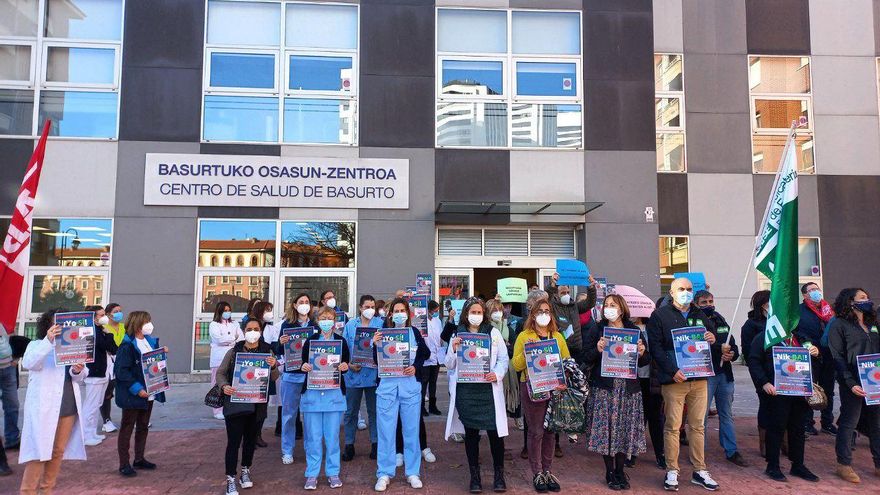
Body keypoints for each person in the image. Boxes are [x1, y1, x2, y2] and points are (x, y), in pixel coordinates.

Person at [646, 277, 720, 492]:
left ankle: (700, 470)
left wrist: (712, 338)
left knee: (698, 426)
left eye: (689, 289)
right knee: (672, 427)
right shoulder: (659, 315)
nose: (686, 292)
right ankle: (672, 470)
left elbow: (711, 338)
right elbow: (656, 348)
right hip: (674, 380)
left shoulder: (700, 314)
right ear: (671, 292)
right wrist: (672, 371)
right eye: (681, 289)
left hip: (699, 380)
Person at [582, 294, 649, 490]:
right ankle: (609, 471)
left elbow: (645, 362)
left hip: (628, 390)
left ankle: (620, 470)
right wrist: (597, 349)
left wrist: (642, 352)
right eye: (606, 305)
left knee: (624, 431)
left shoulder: (633, 330)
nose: (609, 308)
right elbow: (586, 356)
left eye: (613, 305)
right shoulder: (598, 328)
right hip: (605, 388)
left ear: (621, 308)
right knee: (607, 431)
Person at [18, 308, 88, 495]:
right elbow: (29, 363)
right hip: (44, 408)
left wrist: (77, 369)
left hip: (68, 407)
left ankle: (46, 491)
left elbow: (80, 376)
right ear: (48, 326)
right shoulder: (36, 345)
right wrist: (48, 341)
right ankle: (27, 491)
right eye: (57, 323)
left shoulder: (74, 344)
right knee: (39, 453)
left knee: (57, 452)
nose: (61, 327)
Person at [445, 298, 510, 492]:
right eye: (473, 312)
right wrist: (454, 349)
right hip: (467, 392)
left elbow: (503, 358)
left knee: (495, 434)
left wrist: (497, 374)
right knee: (471, 434)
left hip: (488, 390)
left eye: (479, 312)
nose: (476, 315)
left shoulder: (493, 333)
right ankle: (475, 477)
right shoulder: (457, 335)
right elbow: (448, 364)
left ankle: (499, 476)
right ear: (466, 314)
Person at [747, 326, 820, 482]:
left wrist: (815, 352)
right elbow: (753, 361)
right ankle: (772, 466)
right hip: (776, 392)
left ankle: (798, 465)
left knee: (798, 429)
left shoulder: (801, 338)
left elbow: (813, 360)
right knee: (776, 428)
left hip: (799, 391)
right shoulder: (764, 338)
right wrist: (764, 382)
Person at [511, 298, 569, 493]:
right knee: (536, 432)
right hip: (532, 388)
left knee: (551, 431)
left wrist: (563, 381)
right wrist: (528, 352)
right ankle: (537, 472)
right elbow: (516, 366)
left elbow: (567, 362)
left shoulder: (558, 337)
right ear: (533, 314)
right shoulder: (524, 336)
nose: (544, 314)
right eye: (540, 311)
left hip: (554, 389)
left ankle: (547, 470)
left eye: (547, 311)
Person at [216, 319, 280, 495]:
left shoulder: (267, 350)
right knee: (234, 442)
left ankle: (245, 470)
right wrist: (224, 386)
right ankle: (230, 478)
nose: (253, 332)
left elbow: (274, 377)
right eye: (250, 329)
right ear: (244, 331)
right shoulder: (234, 351)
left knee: (250, 440)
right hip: (236, 403)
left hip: (257, 404)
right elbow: (220, 373)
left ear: (261, 331)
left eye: (256, 329)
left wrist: (273, 366)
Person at [373, 298, 429, 492]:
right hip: (387, 389)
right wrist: (375, 345)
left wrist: (415, 367)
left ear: (408, 313)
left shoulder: (413, 333)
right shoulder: (382, 333)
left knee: (411, 431)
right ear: (390, 314)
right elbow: (376, 360)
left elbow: (425, 353)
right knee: (386, 432)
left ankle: (413, 472)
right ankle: (384, 473)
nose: (399, 313)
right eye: (395, 310)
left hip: (410, 388)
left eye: (402, 310)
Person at [828, 288, 880, 483]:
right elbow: (837, 356)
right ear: (850, 302)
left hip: (875, 381)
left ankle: (878, 464)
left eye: (867, 297)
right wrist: (849, 382)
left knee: (877, 424)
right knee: (849, 422)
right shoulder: (839, 324)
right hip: (853, 381)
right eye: (862, 298)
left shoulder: (872, 323)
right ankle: (844, 464)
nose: (867, 300)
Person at [693, 291, 747, 467]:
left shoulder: (720, 319)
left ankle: (731, 450)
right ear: (696, 303)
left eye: (710, 300)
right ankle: (699, 452)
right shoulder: (693, 320)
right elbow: (692, 347)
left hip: (724, 374)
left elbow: (733, 344)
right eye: (704, 302)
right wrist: (718, 348)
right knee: (701, 417)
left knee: (726, 414)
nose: (708, 304)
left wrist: (732, 354)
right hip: (705, 375)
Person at [300, 306, 351, 489]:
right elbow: (302, 363)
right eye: (323, 317)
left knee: (332, 438)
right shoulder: (310, 341)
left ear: (335, 320)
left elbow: (346, 362)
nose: (326, 320)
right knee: (313, 438)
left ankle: (333, 473)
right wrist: (304, 366)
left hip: (334, 395)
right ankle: (312, 474)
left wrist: (345, 366)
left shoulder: (341, 341)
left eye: (330, 317)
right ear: (317, 320)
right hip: (313, 395)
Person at [115, 311, 166, 477]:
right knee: (127, 427)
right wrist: (137, 389)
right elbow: (122, 371)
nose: (149, 325)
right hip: (134, 393)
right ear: (137, 324)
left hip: (150, 391)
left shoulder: (150, 342)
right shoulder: (127, 345)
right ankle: (124, 463)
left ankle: (139, 458)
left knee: (143, 426)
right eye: (146, 322)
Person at [274, 293, 317, 465]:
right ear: (294, 305)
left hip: (310, 377)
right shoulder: (286, 325)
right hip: (291, 376)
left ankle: (310, 449)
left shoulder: (315, 325)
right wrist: (281, 343)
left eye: (307, 302)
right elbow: (277, 350)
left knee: (310, 416)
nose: (304, 305)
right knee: (289, 415)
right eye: (301, 302)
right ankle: (287, 450)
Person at [341, 295, 382, 462]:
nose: (370, 309)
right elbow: (344, 348)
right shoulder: (350, 325)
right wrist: (349, 365)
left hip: (373, 374)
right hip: (354, 374)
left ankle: (375, 443)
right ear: (360, 308)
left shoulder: (380, 324)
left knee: (374, 411)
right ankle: (349, 444)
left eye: (372, 306)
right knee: (351, 412)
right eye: (367, 306)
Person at [795, 282, 837, 436]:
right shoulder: (799, 311)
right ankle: (807, 423)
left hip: (829, 355)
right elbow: (797, 332)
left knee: (829, 390)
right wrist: (809, 345)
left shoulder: (829, 310)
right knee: (810, 389)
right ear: (805, 295)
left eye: (817, 289)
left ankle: (827, 422)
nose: (816, 292)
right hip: (811, 355)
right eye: (811, 290)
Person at [82, 305, 119, 446]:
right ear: (93, 317)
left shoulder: (100, 330)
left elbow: (114, 348)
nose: (104, 317)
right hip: (94, 372)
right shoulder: (91, 331)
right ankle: (85, 434)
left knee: (97, 403)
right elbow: (107, 346)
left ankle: (92, 432)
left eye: (104, 314)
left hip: (104, 372)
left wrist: (106, 332)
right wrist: (108, 333)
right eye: (100, 315)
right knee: (90, 405)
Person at [740, 290, 771, 457]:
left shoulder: (780, 323)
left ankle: (783, 441)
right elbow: (748, 352)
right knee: (766, 404)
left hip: (781, 371)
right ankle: (765, 442)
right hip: (762, 372)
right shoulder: (751, 325)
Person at [210, 302, 244, 421]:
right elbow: (218, 339)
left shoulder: (234, 324)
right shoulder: (214, 325)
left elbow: (241, 338)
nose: (227, 312)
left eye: (229, 310)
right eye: (225, 310)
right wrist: (232, 339)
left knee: (231, 382)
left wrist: (231, 340)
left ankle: (229, 407)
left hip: (232, 356)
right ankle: (217, 410)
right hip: (218, 358)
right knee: (217, 383)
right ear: (219, 311)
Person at [253, 300, 282, 440]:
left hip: (266, 370)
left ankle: (257, 434)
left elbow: (276, 348)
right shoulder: (251, 326)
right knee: (250, 405)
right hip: (251, 369)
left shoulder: (272, 329)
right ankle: (249, 436)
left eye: (270, 310)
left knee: (262, 406)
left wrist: (280, 344)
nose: (270, 313)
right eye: (267, 310)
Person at [101, 303, 126, 435]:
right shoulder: (104, 328)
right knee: (107, 392)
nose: (119, 314)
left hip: (123, 363)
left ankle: (128, 420)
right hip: (108, 363)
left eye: (120, 311)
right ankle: (106, 421)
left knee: (126, 391)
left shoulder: (124, 327)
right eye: (116, 311)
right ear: (108, 314)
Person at [0, 317, 21, 450]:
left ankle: (12, 439)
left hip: (8, 368)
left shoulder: (3, 324)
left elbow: (14, 340)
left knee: (12, 405)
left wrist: (16, 359)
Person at [422, 300, 443, 416]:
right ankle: (422, 407)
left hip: (436, 355)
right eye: (435, 311)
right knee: (424, 382)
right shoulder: (422, 321)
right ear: (429, 310)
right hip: (425, 357)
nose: (436, 313)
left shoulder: (437, 321)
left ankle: (432, 406)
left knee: (433, 382)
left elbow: (439, 337)